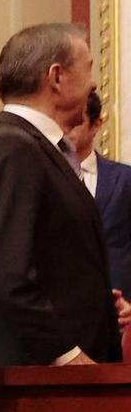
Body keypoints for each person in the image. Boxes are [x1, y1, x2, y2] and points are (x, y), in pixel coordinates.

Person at [0, 23, 123, 366]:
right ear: (57, 77)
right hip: (36, 382)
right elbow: (2, 273)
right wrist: (68, 356)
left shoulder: (36, 150)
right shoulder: (14, 148)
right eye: (89, 67)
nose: (94, 83)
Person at [73, 92, 131, 297]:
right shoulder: (41, 175)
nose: (67, 130)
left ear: (96, 124)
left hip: (118, 308)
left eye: (76, 122)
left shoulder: (125, 179)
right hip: (59, 313)